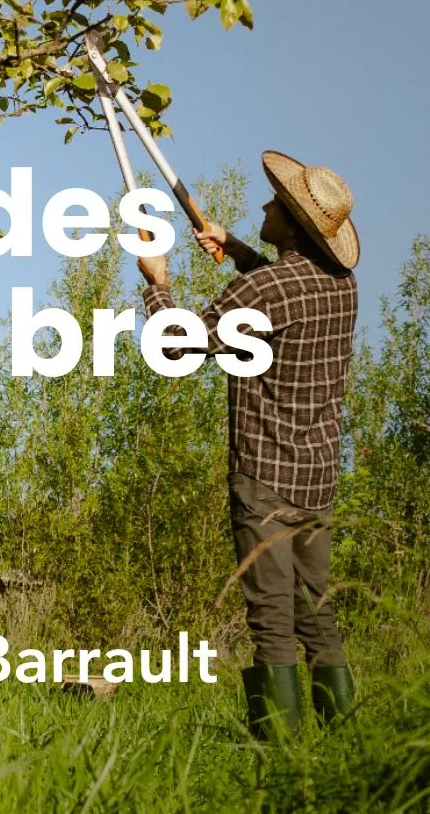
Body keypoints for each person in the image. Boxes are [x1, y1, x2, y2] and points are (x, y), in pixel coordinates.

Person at [136, 151, 359, 738]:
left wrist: (158, 284)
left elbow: (175, 345)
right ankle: (345, 745)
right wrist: (238, 251)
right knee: (317, 612)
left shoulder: (267, 288)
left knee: (271, 621)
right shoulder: (342, 284)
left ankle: (279, 754)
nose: (264, 205)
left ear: (292, 225)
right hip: (317, 479)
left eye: (274, 204)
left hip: (265, 478)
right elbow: (285, 294)